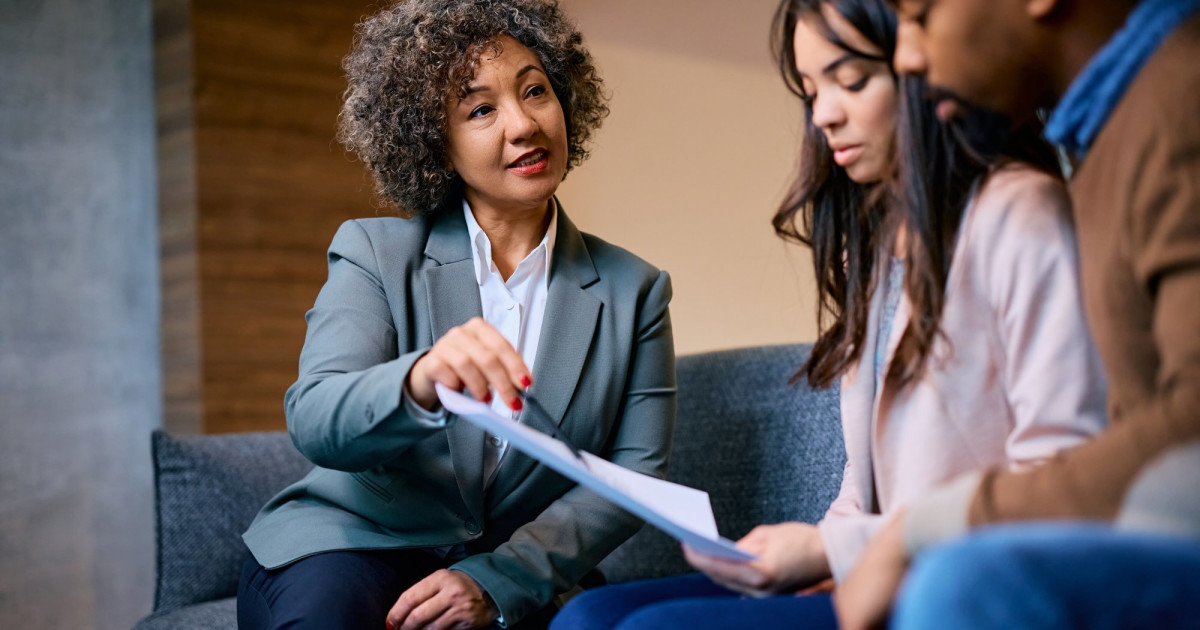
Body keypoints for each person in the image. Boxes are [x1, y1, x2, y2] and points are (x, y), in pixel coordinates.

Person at [549, 1, 1106, 629]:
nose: (824, 115)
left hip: (958, 581)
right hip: (872, 571)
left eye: (852, 81)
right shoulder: (870, 242)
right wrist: (821, 554)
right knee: (589, 615)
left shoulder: (1023, 214)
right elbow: (864, 483)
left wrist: (833, 551)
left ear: (921, 61)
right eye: (811, 91)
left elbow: (1063, 474)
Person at [234, 2, 677, 629]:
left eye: (535, 91)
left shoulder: (636, 291)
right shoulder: (375, 253)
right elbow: (316, 417)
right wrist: (421, 380)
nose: (524, 125)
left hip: (511, 568)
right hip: (351, 544)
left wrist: (499, 580)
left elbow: (634, 477)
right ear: (436, 147)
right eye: (481, 110)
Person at [836, 1, 1200, 628]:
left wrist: (919, 529)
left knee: (962, 589)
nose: (908, 57)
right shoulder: (1107, 135)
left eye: (921, 15)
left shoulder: (1180, 106)